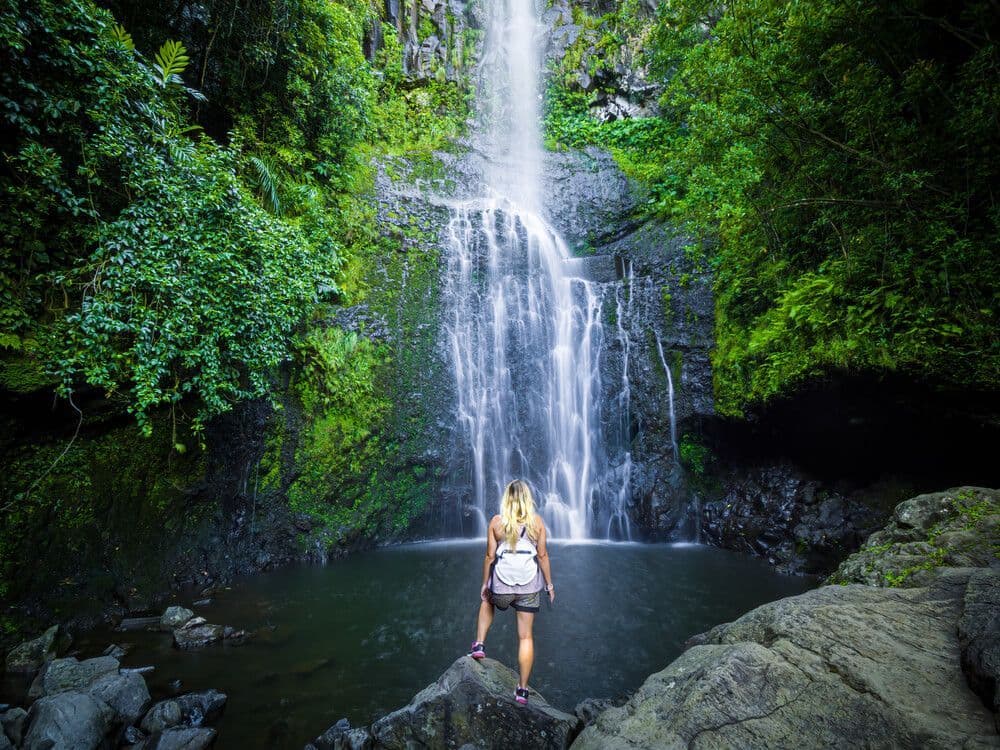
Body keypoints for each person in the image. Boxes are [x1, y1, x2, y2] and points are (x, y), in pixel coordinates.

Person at [468, 479, 555, 706]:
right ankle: (522, 690)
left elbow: (490, 556)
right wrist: (549, 585)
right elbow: (543, 556)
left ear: (506, 499)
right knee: (525, 637)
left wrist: (485, 583)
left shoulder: (497, 522)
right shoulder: (537, 523)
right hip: (528, 587)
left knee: (487, 599)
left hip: (503, 587)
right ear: (528, 499)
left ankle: (479, 644)